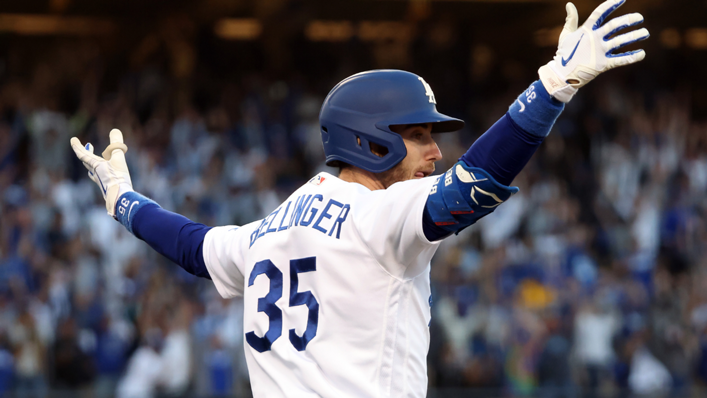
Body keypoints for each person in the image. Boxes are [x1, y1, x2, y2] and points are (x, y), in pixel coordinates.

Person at [70, 1, 648, 396]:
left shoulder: (268, 229)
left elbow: (192, 246)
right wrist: (550, 90)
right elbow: (475, 184)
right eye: (418, 135)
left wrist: (123, 200)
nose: (434, 151)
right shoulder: (378, 216)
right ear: (370, 141)